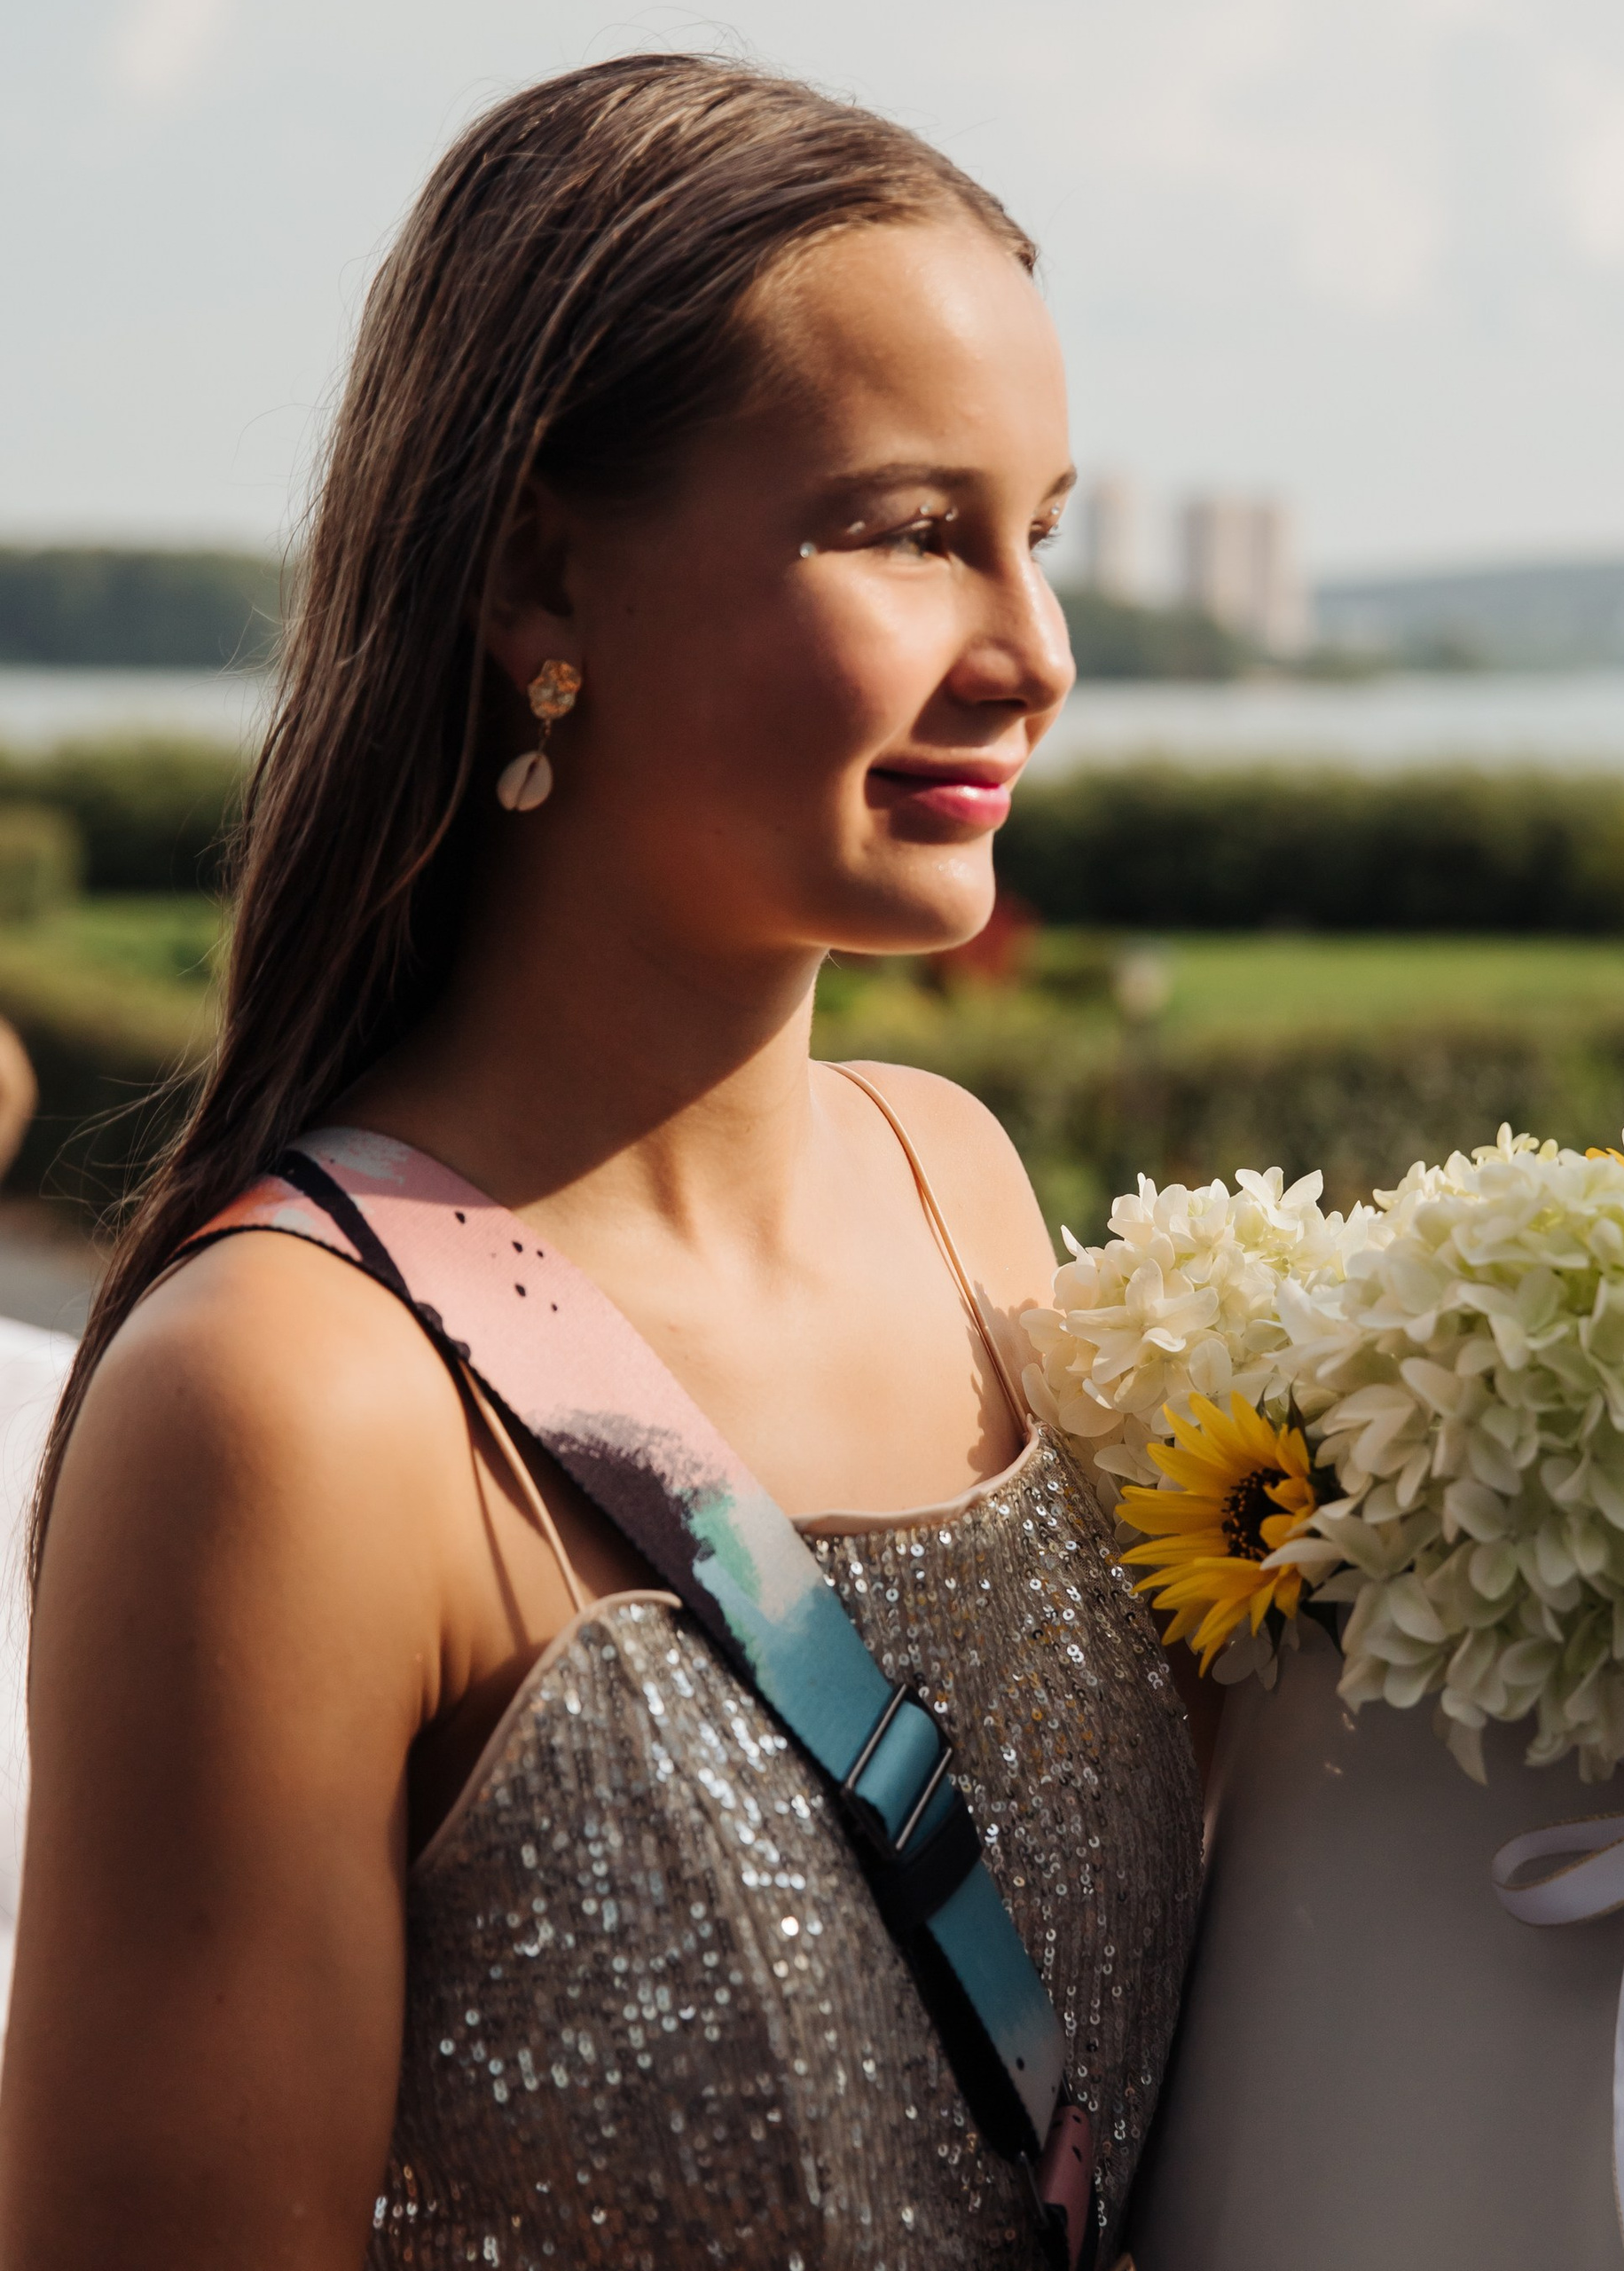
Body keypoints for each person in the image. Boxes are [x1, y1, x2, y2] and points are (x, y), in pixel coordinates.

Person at [0, 57, 1201, 2270]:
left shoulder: (961, 1193)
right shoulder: (292, 1407)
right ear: (540, 566)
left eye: (1038, 530)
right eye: (911, 527)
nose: (1031, 650)